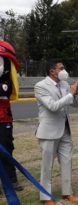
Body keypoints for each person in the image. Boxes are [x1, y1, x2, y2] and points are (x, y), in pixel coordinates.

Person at [34, 61, 78, 205]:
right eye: (61, 68)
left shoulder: (64, 84)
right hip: (48, 132)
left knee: (67, 161)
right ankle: (46, 197)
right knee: (47, 166)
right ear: (52, 71)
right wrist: (70, 94)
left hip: (65, 129)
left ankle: (67, 192)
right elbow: (53, 106)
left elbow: (76, 104)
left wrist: (76, 92)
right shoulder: (41, 86)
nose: (64, 70)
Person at [0, 40, 23, 192]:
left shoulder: (6, 82)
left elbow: (4, 92)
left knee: (6, 148)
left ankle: (11, 179)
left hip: (4, 119)